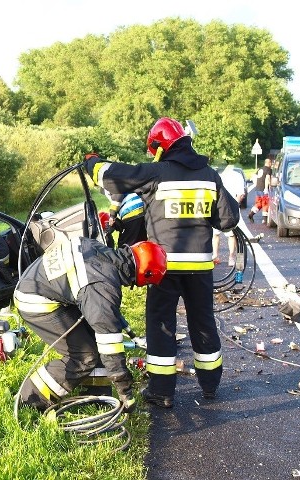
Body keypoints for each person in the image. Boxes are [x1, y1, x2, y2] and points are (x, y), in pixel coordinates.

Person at [84, 117, 240, 407]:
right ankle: (209, 386)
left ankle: (162, 391)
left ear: (159, 147)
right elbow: (229, 219)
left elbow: (112, 176)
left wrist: (92, 162)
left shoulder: (156, 173)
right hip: (200, 268)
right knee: (203, 322)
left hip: (164, 267)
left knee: (161, 324)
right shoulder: (209, 175)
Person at [13, 237, 167, 413]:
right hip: (35, 300)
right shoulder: (102, 286)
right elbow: (110, 345)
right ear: (144, 275)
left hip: (36, 284)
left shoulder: (100, 251)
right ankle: (29, 401)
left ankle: (96, 397)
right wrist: (124, 389)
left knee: (93, 339)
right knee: (84, 356)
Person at [213, 165, 246, 266]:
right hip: (231, 209)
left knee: (215, 234)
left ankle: (215, 255)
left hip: (218, 208)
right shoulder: (238, 176)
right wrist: (235, 205)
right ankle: (231, 257)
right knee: (231, 234)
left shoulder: (218, 175)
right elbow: (241, 194)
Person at [248, 158, 272, 223]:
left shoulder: (260, 169)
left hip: (257, 189)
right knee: (265, 203)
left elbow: (254, 177)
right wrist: (267, 188)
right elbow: (267, 179)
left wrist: (256, 185)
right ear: (269, 163)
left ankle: (251, 213)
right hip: (264, 189)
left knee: (259, 203)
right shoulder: (269, 170)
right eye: (271, 163)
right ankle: (264, 219)